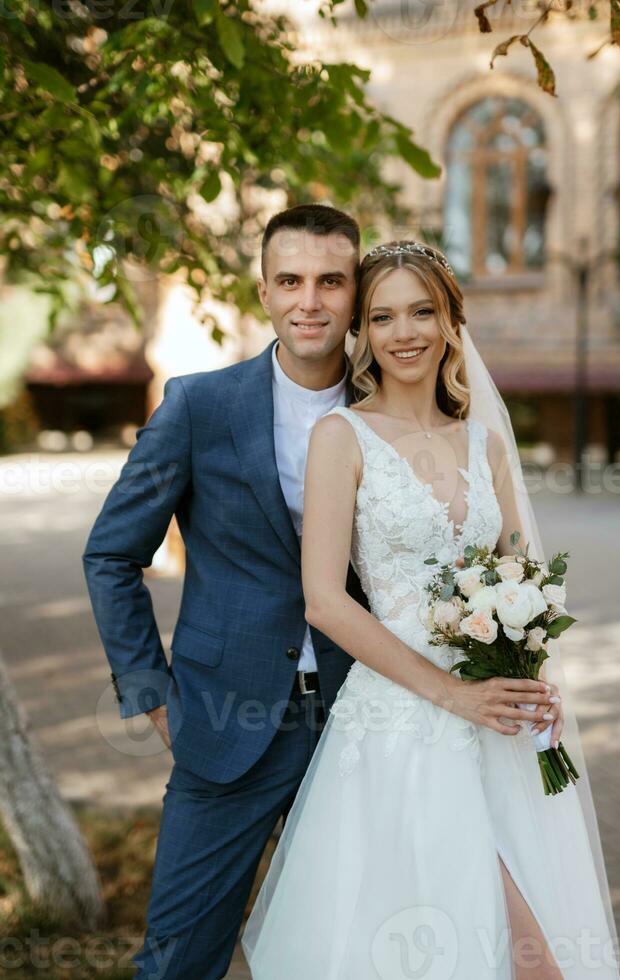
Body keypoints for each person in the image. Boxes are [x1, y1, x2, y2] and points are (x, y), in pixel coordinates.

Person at [242, 241, 620, 979]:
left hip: (502, 723)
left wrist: (534, 674)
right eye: (382, 316)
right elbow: (323, 600)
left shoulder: (484, 444)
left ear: (452, 320)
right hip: (405, 722)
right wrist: (451, 692)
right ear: (363, 333)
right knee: (498, 952)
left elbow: (524, 578)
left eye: (422, 310)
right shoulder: (341, 437)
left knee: (535, 949)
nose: (404, 331)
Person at [83, 203, 378, 978]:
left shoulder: (391, 411)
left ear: (355, 293)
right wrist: (153, 696)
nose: (309, 300)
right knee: (178, 959)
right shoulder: (198, 407)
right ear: (264, 295)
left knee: (365, 950)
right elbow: (111, 555)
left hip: (369, 721)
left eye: (330, 281)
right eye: (290, 280)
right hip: (228, 719)